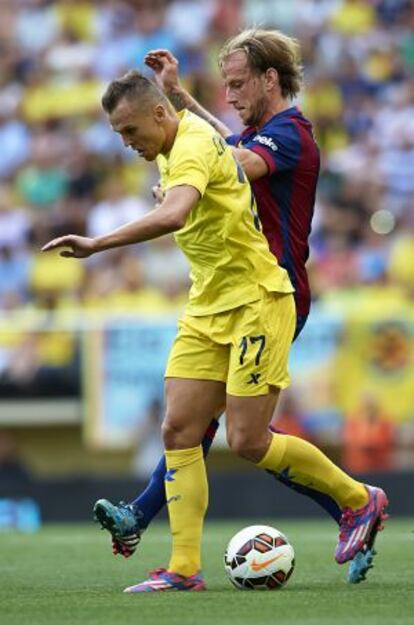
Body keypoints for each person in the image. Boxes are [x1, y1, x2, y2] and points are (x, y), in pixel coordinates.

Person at [42, 64, 388, 592]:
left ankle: (359, 499)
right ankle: (182, 569)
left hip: (256, 299)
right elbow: (210, 176)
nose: (127, 143)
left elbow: (176, 215)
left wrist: (96, 244)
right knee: (179, 430)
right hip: (206, 306)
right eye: (118, 136)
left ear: (160, 114)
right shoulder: (177, 148)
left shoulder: (196, 145)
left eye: (131, 131)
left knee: (248, 440)